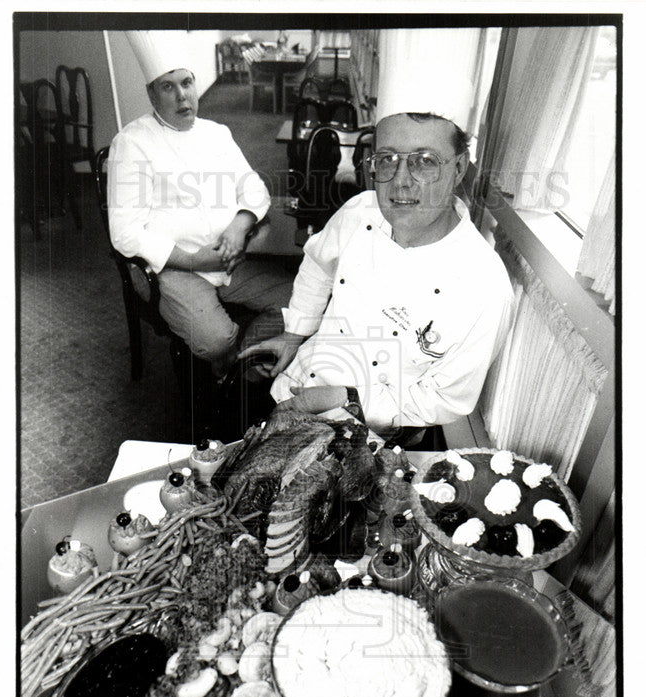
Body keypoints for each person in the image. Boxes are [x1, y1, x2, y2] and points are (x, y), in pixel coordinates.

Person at [239, 92, 513, 439]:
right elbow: (317, 263)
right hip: (295, 386)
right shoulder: (360, 211)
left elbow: (445, 399)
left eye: (424, 161)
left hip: (376, 433)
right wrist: (295, 333)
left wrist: (348, 400)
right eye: (387, 159)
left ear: (458, 168)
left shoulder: (486, 287)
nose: (400, 180)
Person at [107, 31, 293, 377]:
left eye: (187, 83)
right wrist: (193, 260)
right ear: (152, 94)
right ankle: (237, 366)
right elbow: (124, 232)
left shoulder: (216, 132)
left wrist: (239, 228)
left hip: (229, 255)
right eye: (168, 87)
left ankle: (236, 369)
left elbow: (253, 186)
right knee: (216, 341)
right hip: (174, 268)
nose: (182, 96)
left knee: (298, 300)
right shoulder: (131, 143)